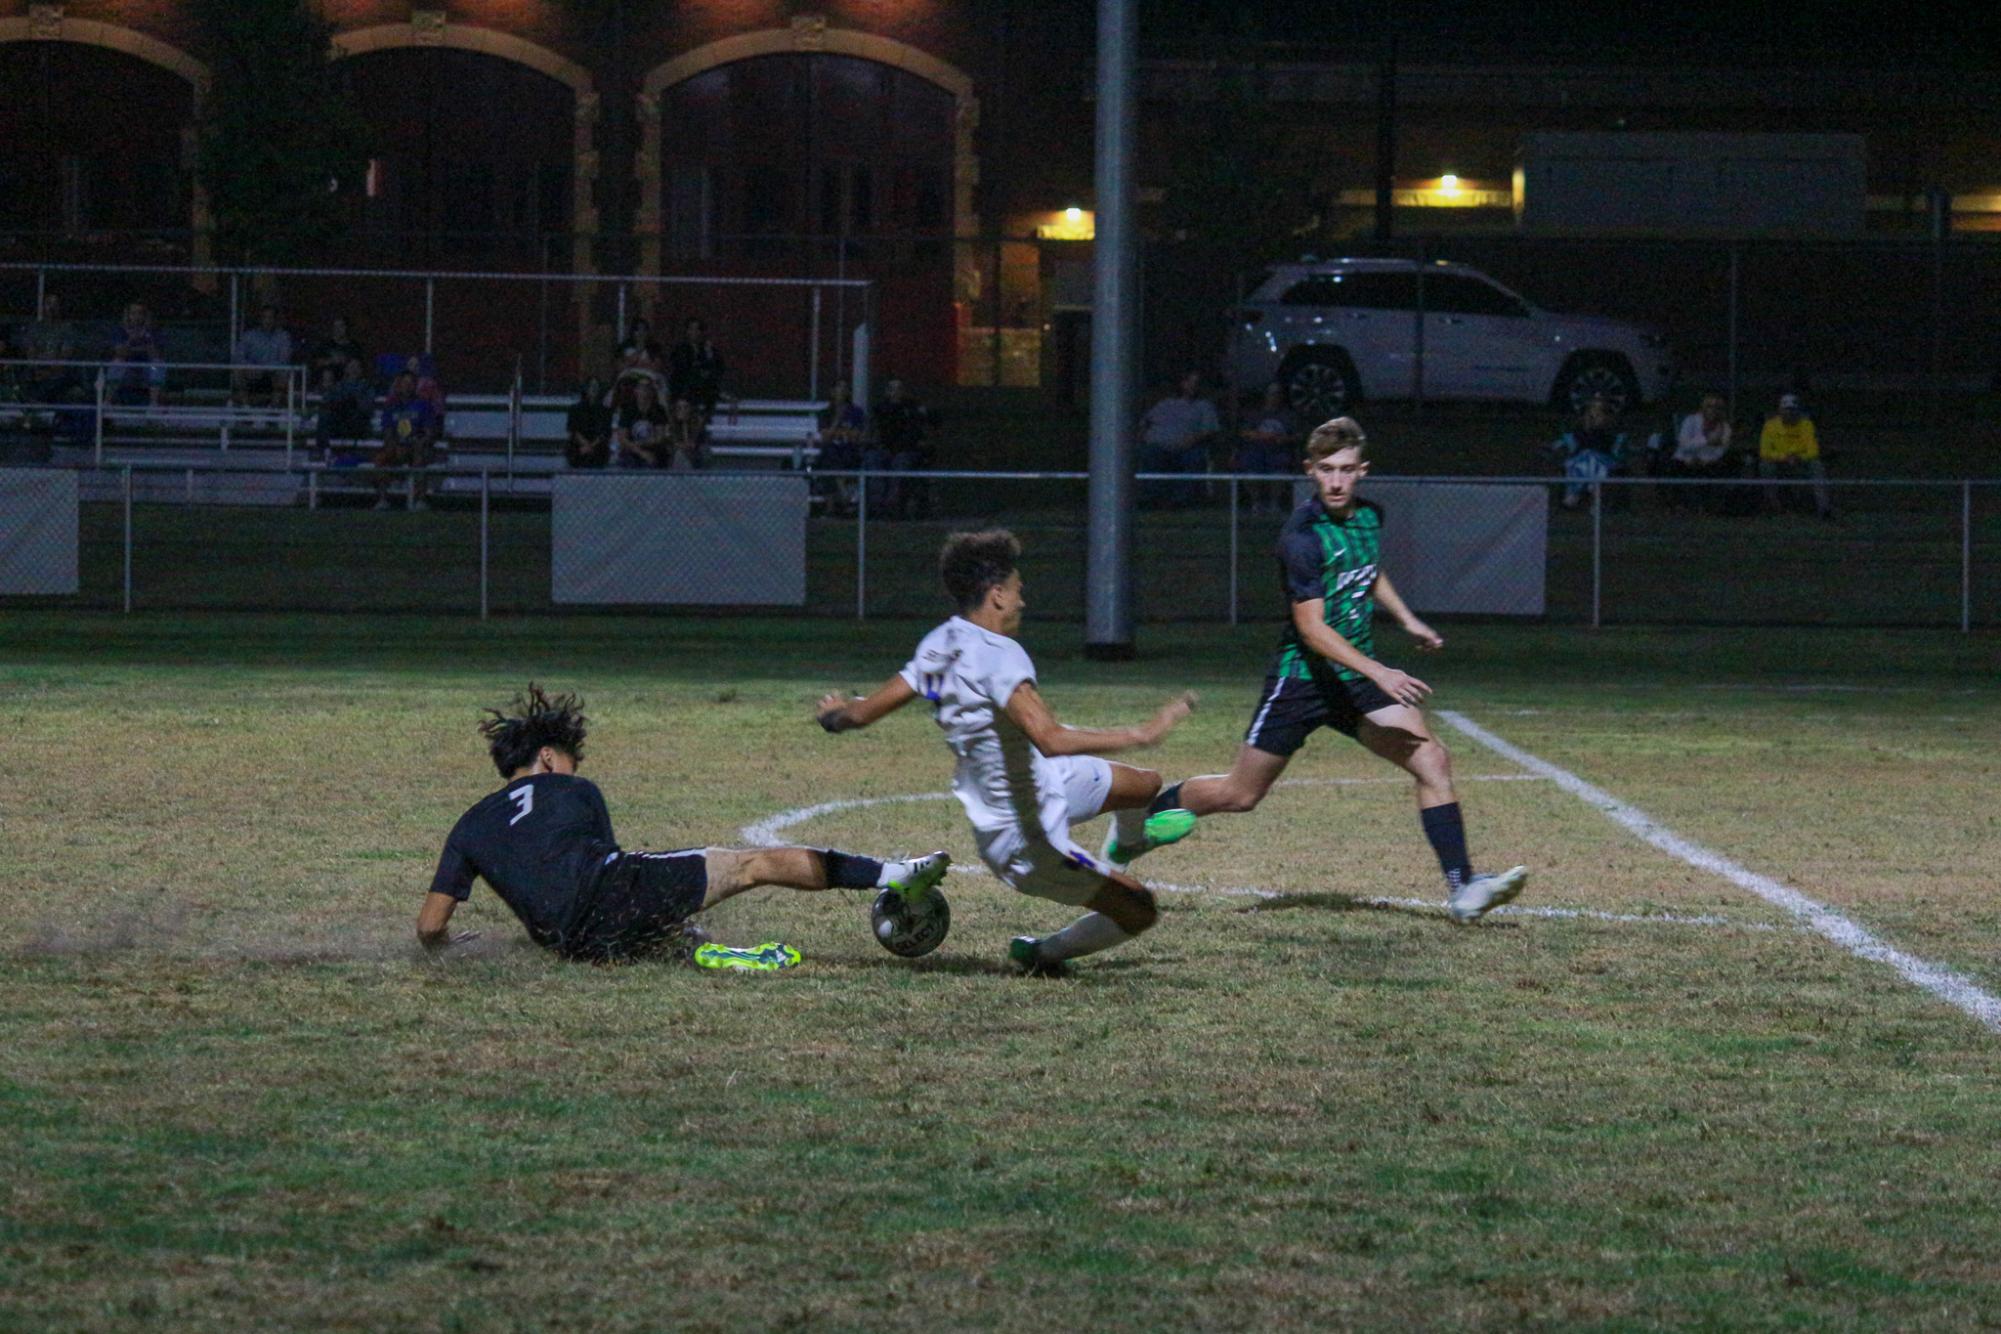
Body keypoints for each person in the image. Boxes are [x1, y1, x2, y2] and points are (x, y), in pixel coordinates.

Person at [1145, 417, 1527, 925]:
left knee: (1432, 759)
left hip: (1355, 680)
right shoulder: (1301, 538)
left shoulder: (1370, 517)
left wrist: (1407, 619)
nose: (1337, 481)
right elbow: (1312, 630)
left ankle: (1463, 888)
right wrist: (1381, 672)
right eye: (1326, 470)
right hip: (1303, 680)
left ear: (1363, 471)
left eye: (1347, 470)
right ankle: (1150, 811)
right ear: (1310, 471)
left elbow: (1369, 570)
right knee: (1241, 795)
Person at [815, 529, 1200, 976]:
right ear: (996, 595)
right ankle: (1042, 953)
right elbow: (1050, 738)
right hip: (1025, 836)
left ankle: (1130, 841)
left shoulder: (940, 641)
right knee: (1140, 908)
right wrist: (1141, 731)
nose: (1022, 601)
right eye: (1018, 591)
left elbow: (861, 715)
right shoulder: (1000, 655)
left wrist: (834, 716)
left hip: (1040, 778)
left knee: (1145, 785)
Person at [418, 685, 950, 968]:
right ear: (550, 758)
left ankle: (689, 946)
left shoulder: (469, 825)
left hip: (568, 945)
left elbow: (429, 925)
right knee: (751, 864)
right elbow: (606, 865)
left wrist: (444, 949)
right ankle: (896, 874)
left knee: (641, 925)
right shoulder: (572, 787)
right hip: (610, 897)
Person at [1138, 370, 1221, 508]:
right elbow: (1145, 422)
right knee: (1149, 454)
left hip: (1187, 447)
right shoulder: (1165, 404)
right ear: (1182, 384)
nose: (1192, 386)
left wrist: (1193, 439)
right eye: (1189, 382)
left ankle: (1180, 501)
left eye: (1196, 383)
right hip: (1157, 445)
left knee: (1195, 458)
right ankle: (1150, 499)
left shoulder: (1203, 406)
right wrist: (1142, 436)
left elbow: (1210, 430)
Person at [865, 377, 935, 518]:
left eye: (899, 389)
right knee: (873, 460)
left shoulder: (912, 408)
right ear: (887, 392)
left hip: (906, 450)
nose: (896, 392)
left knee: (900, 463)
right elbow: (875, 431)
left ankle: (892, 505)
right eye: (892, 389)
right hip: (884, 448)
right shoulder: (880, 408)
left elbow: (930, 422)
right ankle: (876, 505)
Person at [1545, 396, 1629, 511]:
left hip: (1605, 460)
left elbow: (1610, 448)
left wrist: (1597, 431)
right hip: (1582, 461)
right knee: (1581, 461)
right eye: (1592, 412)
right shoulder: (1580, 430)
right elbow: (1571, 444)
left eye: (1598, 413)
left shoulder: (1610, 431)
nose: (1594, 416)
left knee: (1592, 458)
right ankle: (1593, 493)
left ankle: (1575, 494)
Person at [374, 369, 441, 511]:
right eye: (404, 383)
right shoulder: (391, 407)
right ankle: (383, 499)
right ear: (399, 385)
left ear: (415, 386)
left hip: (418, 447)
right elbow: (387, 432)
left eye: (411, 383)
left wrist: (418, 442)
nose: (407, 386)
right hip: (397, 447)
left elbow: (429, 433)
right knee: (381, 458)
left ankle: (420, 500)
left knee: (419, 456)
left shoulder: (423, 405)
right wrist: (395, 446)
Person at [1758, 392, 1833, 519]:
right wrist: (1783, 457)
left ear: (1798, 410)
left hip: (1801, 464)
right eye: (1786, 410)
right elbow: (1764, 451)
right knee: (1765, 465)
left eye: (1792, 410)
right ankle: (1772, 505)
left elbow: (1813, 450)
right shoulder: (1770, 425)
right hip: (1779, 464)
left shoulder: (1807, 424)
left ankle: (1824, 508)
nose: (1789, 413)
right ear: (1779, 410)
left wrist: (1798, 457)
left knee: (1817, 465)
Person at [1236, 381, 1303, 515]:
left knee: (1280, 465)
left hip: (1278, 451)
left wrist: (1283, 438)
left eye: (1278, 394)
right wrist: (1260, 435)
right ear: (1266, 396)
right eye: (1272, 394)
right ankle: (1256, 504)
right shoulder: (1255, 414)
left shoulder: (1288, 416)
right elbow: (1243, 432)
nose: (1275, 397)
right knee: (1250, 464)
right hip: (1256, 451)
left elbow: (1298, 435)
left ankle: (1274, 504)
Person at [1664, 392, 1737, 512]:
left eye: (1716, 407)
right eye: (1709, 406)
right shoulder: (1690, 421)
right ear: (1703, 408)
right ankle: (1679, 505)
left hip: (1708, 463)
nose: (1713, 410)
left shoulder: (1725, 427)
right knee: (1675, 467)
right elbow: (1684, 445)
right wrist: (1706, 440)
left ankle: (1709, 507)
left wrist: (1705, 459)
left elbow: (1720, 451)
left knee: (1721, 468)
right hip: (1684, 460)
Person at [812, 378, 867, 515]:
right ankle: (843, 498)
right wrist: (837, 420)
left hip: (849, 451)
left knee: (831, 460)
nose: (841, 391)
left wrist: (836, 434)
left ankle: (831, 507)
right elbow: (825, 437)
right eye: (838, 388)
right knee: (828, 455)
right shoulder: (825, 413)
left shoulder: (856, 412)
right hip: (831, 451)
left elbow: (855, 436)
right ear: (832, 392)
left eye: (844, 388)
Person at [232, 304, 295, 407]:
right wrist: (251, 367)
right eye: (264, 317)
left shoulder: (283, 336)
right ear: (260, 319)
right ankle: (246, 408)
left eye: (270, 317)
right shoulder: (249, 335)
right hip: (252, 374)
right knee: (237, 371)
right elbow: (238, 357)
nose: (267, 321)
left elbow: (284, 359)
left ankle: (273, 410)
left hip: (273, 374)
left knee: (284, 372)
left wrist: (264, 368)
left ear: (276, 320)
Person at [314, 357, 375, 461]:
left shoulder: (367, 387)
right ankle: (325, 452)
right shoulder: (338, 386)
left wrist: (352, 402)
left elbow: (366, 407)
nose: (354, 370)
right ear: (346, 369)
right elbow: (328, 402)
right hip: (339, 423)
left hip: (357, 424)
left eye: (357, 367)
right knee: (324, 415)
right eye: (351, 367)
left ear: (361, 370)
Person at [110, 301, 166, 407]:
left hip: (148, 369)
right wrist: (131, 339)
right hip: (127, 368)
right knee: (117, 363)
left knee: (157, 365)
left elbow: (156, 355)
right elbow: (120, 353)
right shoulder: (120, 330)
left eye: (140, 313)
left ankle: (153, 404)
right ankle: (107, 402)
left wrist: (146, 336)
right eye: (133, 313)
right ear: (128, 315)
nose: (137, 317)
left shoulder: (154, 331)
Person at [667, 317, 726, 416]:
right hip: (684, 386)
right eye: (691, 329)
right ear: (687, 331)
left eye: (697, 329)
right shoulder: (680, 349)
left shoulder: (708, 349)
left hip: (703, 387)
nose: (694, 332)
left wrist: (709, 354)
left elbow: (718, 367)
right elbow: (681, 368)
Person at [616, 377, 669, 468]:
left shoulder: (658, 410)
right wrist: (641, 453)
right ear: (636, 390)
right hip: (633, 450)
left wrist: (640, 444)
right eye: (641, 387)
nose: (644, 390)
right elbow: (623, 439)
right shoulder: (627, 410)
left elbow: (659, 438)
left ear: (652, 391)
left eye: (647, 387)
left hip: (653, 449)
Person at [565, 376, 613, 468]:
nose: (594, 389)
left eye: (596, 386)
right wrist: (585, 444)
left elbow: (605, 433)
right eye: (591, 386)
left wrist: (591, 446)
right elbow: (574, 431)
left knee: (601, 451)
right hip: (579, 445)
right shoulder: (575, 409)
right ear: (586, 388)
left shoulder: (605, 411)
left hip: (597, 445)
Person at [310, 316, 364, 386]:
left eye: (341, 326)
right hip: (331, 375)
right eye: (336, 327)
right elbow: (316, 362)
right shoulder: (325, 345)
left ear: (346, 328)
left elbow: (359, 364)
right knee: (327, 374)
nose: (338, 329)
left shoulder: (354, 346)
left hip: (348, 376)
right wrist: (332, 361)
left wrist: (347, 363)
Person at [664, 395, 710, 471]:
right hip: (676, 456)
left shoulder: (697, 424)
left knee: (705, 451)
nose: (682, 410)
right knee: (679, 454)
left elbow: (697, 442)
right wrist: (681, 446)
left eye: (685, 407)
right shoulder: (671, 426)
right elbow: (671, 442)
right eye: (679, 408)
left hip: (694, 455)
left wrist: (690, 445)